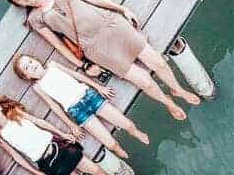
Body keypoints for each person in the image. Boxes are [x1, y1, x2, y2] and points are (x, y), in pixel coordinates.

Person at [4, 0, 200, 121]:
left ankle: (178, 90)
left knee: (157, 62)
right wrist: (83, 65)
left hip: (111, 24)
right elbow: (58, 45)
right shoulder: (35, 19)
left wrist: (121, 9)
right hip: (95, 47)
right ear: (21, 4)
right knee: (144, 81)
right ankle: (168, 103)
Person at [12, 53, 149, 160]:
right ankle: (117, 148)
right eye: (26, 68)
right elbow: (54, 106)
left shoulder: (52, 65)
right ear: (27, 76)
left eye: (30, 61)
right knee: (110, 143)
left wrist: (98, 87)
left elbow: (77, 75)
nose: (31, 65)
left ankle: (134, 131)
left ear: (35, 59)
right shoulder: (38, 87)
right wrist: (71, 125)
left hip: (89, 96)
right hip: (77, 111)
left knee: (127, 124)